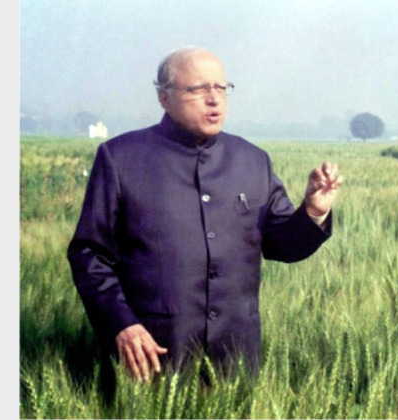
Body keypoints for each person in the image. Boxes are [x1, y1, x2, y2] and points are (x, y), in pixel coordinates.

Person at [67, 47, 343, 385]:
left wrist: (313, 210)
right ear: (164, 97)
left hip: (235, 360)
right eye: (198, 89)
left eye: (221, 88)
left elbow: (282, 246)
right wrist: (121, 324)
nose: (214, 100)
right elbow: (89, 254)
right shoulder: (121, 158)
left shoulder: (253, 161)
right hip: (153, 356)